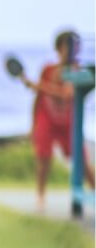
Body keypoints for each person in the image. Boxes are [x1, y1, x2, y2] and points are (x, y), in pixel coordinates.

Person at [18, 29, 94, 211]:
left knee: (82, 161)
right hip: (47, 119)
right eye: (68, 46)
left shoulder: (76, 70)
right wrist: (33, 123)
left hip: (69, 121)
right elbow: (38, 99)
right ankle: (40, 197)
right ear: (59, 48)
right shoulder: (48, 69)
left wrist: (38, 85)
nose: (72, 50)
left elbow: (67, 94)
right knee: (43, 158)